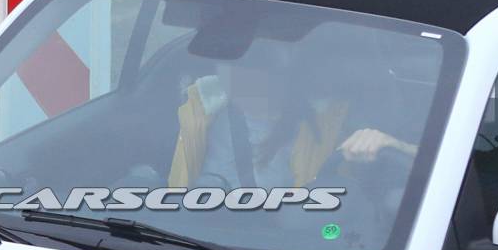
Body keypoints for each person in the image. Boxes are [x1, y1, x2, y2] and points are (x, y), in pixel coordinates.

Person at [164, 41, 414, 188]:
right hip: (197, 235)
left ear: (290, 77)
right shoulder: (199, 110)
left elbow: (431, 169)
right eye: (234, 69)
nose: (243, 80)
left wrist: (393, 145)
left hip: (301, 242)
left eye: (260, 66)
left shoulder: (335, 119)